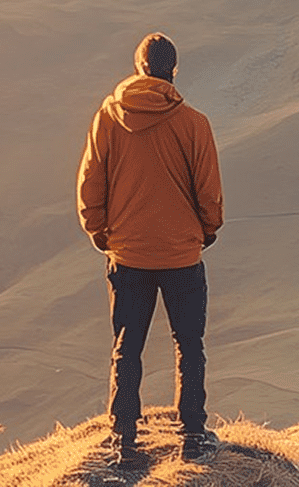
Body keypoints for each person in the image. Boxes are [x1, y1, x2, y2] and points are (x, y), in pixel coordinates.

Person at [76, 32, 224, 467]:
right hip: (181, 255)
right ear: (172, 72)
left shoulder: (108, 118)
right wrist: (206, 231)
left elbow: (90, 182)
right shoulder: (194, 123)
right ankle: (193, 436)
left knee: (127, 345)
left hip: (127, 254)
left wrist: (99, 232)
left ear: (139, 68)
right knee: (189, 344)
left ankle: (123, 439)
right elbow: (209, 192)